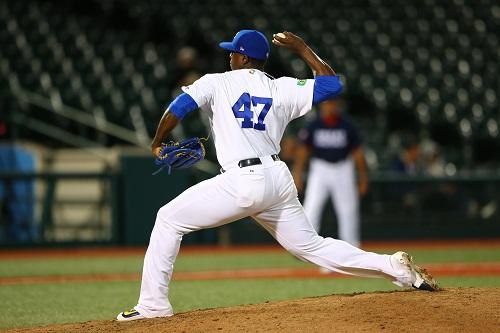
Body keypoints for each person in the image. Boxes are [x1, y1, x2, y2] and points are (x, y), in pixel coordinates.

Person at [117, 30, 437, 322]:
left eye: (233, 53)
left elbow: (179, 106)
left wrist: (158, 142)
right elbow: (331, 84)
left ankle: (153, 305)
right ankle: (392, 267)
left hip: (244, 180)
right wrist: (302, 48)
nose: (229, 57)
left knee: (168, 219)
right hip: (277, 178)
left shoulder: (216, 81)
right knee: (311, 246)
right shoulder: (280, 86)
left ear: (243, 58)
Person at [292, 99, 368, 247]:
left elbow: (358, 153)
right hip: (320, 169)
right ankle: (305, 246)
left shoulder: (347, 125)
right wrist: (297, 174)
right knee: (311, 207)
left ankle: (351, 247)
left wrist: (364, 179)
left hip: (343, 168)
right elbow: (303, 151)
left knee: (348, 210)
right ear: (322, 105)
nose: (331, 107)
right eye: (328, 103)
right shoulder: (314, 125)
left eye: (333, 103)